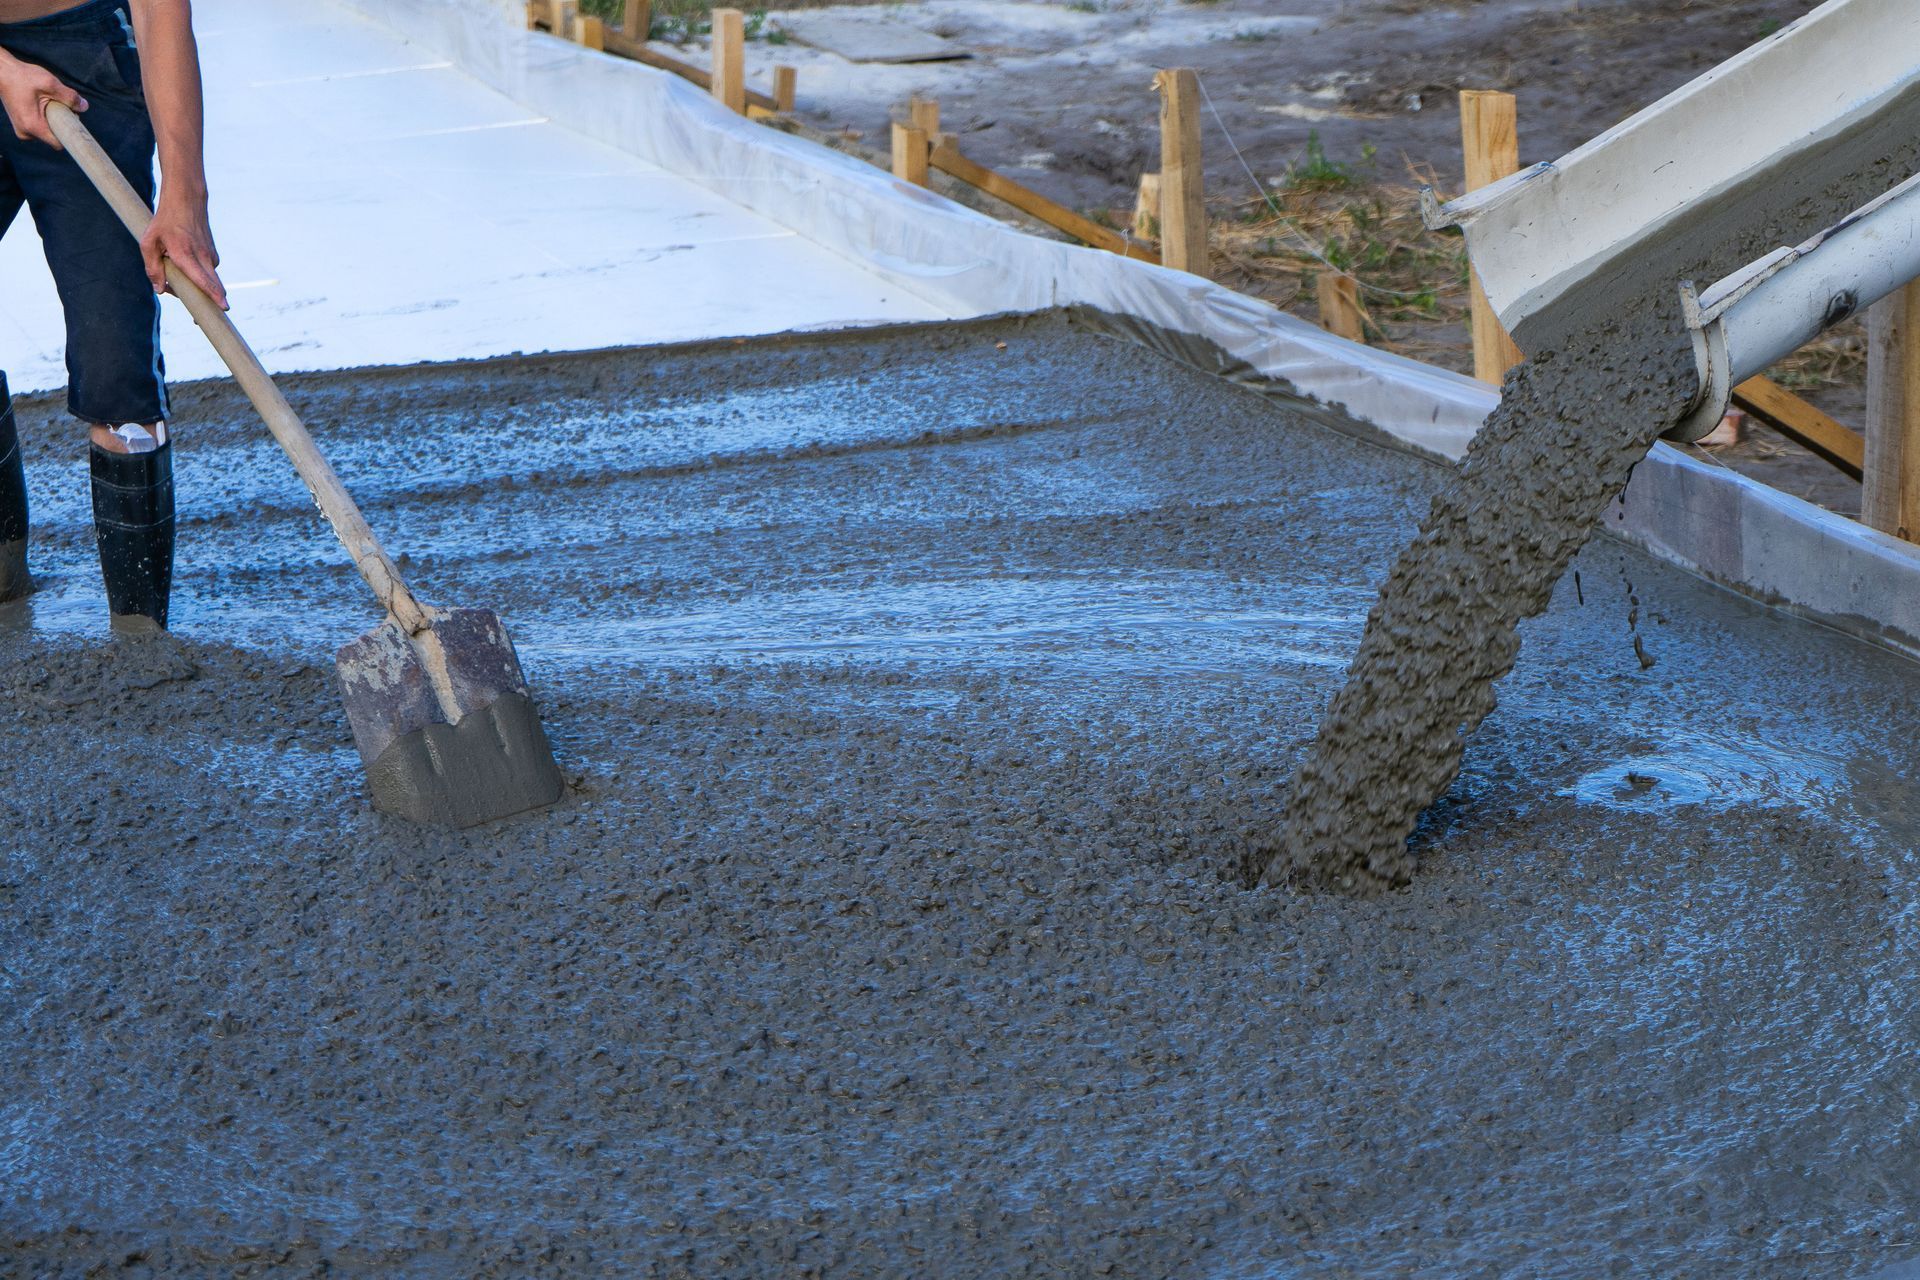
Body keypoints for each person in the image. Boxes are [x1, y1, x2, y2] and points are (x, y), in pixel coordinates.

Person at [0, 0, 225, 632]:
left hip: (85, 69)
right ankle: (2, 577)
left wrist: (186, 193)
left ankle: (140, 637)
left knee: (116, 360)